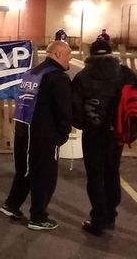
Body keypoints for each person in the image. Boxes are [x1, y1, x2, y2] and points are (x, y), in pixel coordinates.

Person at [0, 40, 72, 231]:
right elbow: (65, 110)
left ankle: (12, 205)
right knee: (44, 176)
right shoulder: (58, 78)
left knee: (24, 170)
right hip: (43, 134)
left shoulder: (32, 73)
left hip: (24, 129)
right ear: (57, 54)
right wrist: (61, 135)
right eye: (68, 54)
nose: (70, 59)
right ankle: (38, 217)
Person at [72, 39, 136, 236]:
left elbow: (75, 109)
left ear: (91, 54)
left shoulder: (83, 76)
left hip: (94, 133)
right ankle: (110, 216)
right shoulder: (125, 73)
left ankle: (98, 219)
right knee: (112, 171)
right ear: (111, 52)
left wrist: (87, 124)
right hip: (116, 132)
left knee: (95, 176)